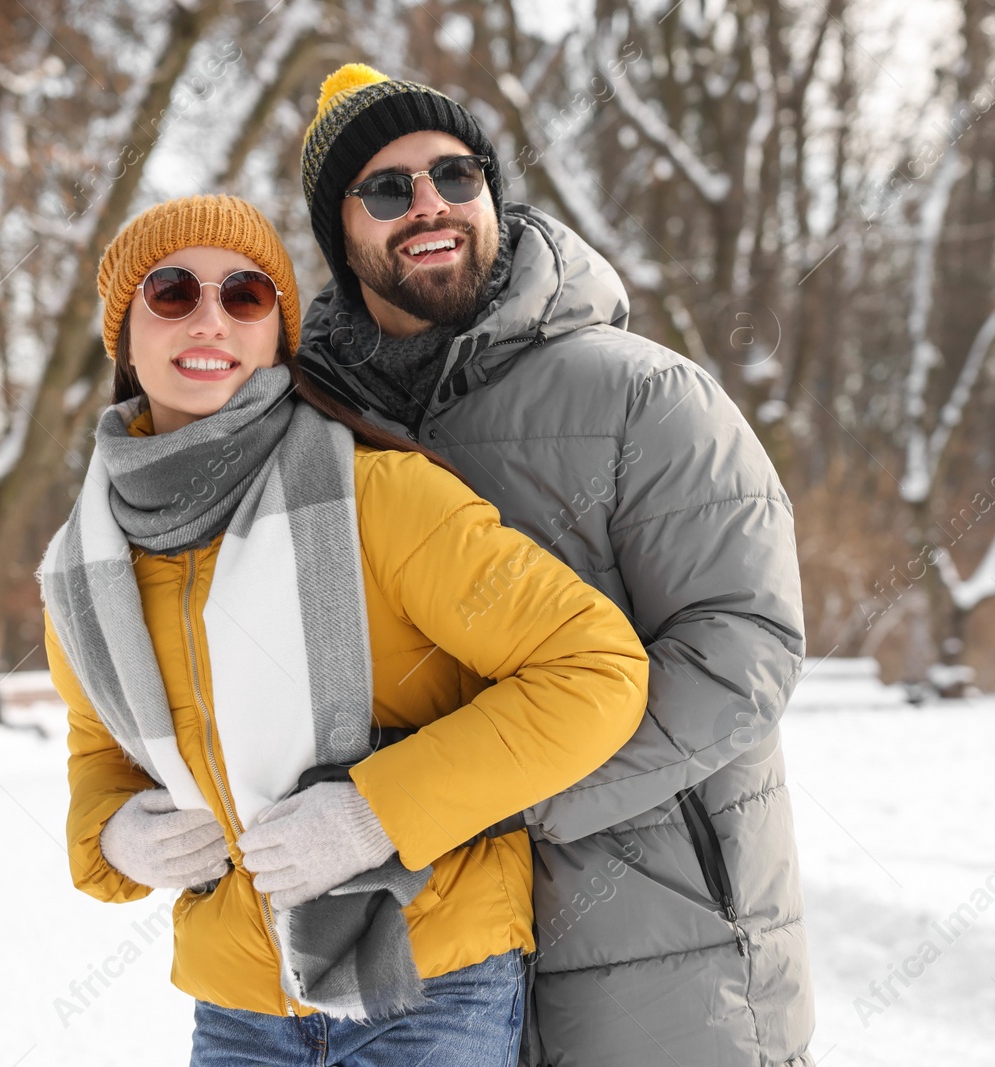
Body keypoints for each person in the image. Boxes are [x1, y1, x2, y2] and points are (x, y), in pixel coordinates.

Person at [39, 193, 649, 1066]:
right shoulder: (85, 566)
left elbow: (596, 670)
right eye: (172, 292)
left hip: (430, 981)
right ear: (124, 336)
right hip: (237, 1004)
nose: (209, 316)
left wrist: (376, 813)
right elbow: (99, 752)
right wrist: (112, 836)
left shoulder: (377, 498)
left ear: (275, 334)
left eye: (245, 295)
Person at [292, 65, 813, 1066]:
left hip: (663, 960)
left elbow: (741, 649)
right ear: (338, 232)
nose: (429, 204)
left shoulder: (643, 395)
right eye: (388, 188)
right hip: (425, 970)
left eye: (456, 172)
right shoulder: (318, 433)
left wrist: (476, 794)